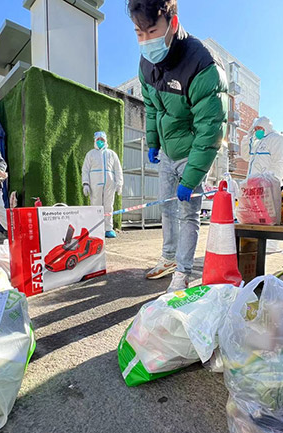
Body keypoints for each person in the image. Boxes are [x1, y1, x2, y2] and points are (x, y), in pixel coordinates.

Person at [128, 0, 228, 291]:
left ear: (172, 23)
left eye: (151, 31)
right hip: (167, 154)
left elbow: (210, 130)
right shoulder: (146, 64)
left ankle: (183, 272)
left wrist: (192, 177)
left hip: (191, 155)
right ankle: (168, 258)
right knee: (166, 209)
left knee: (188, 214)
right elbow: (152, 106)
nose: (145, 41)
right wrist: (153, 141)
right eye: (139, 33)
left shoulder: (202, 64)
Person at [82, 131, 123, 238]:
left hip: (110, 184)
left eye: (102, 139)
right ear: (95, 140)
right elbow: (85, 170)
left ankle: (108, 229)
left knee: (108, 206)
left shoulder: (112, 154)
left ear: (106, 140)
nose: (100, 141)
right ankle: (95, 229)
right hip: (95, 184)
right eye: (98, 139)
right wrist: (85, 183)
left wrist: (119, 183)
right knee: (96, 206)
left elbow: (118, 169)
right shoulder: (90, 154)